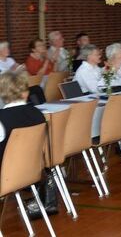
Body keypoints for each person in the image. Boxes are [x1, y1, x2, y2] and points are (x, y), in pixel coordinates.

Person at [0, 71, 54, 218]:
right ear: (25, 92)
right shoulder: (38, 114)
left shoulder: (2, 119)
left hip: (6, 176)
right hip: (33, 172)